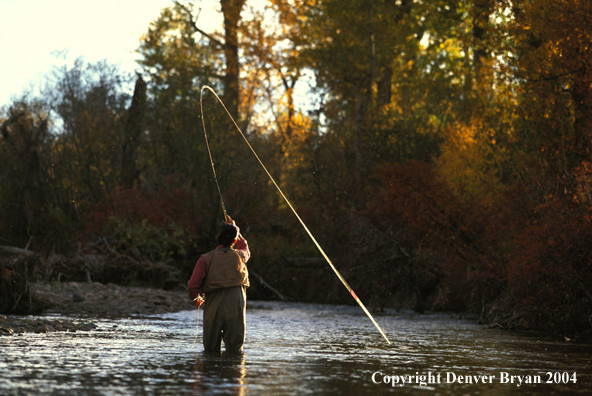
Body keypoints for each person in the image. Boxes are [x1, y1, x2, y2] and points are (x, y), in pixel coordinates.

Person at [187, 215, 250, 353]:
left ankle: (210, 373)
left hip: (213, 303)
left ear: (218, 236)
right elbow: (245, 248)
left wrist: (196, 299)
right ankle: (234, 374)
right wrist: (236, 230)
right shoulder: (240, 255)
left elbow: (192, 285)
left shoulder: (205, 259)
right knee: (235, 352)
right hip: (236, 302)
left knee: (210, 350)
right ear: (234, 240)